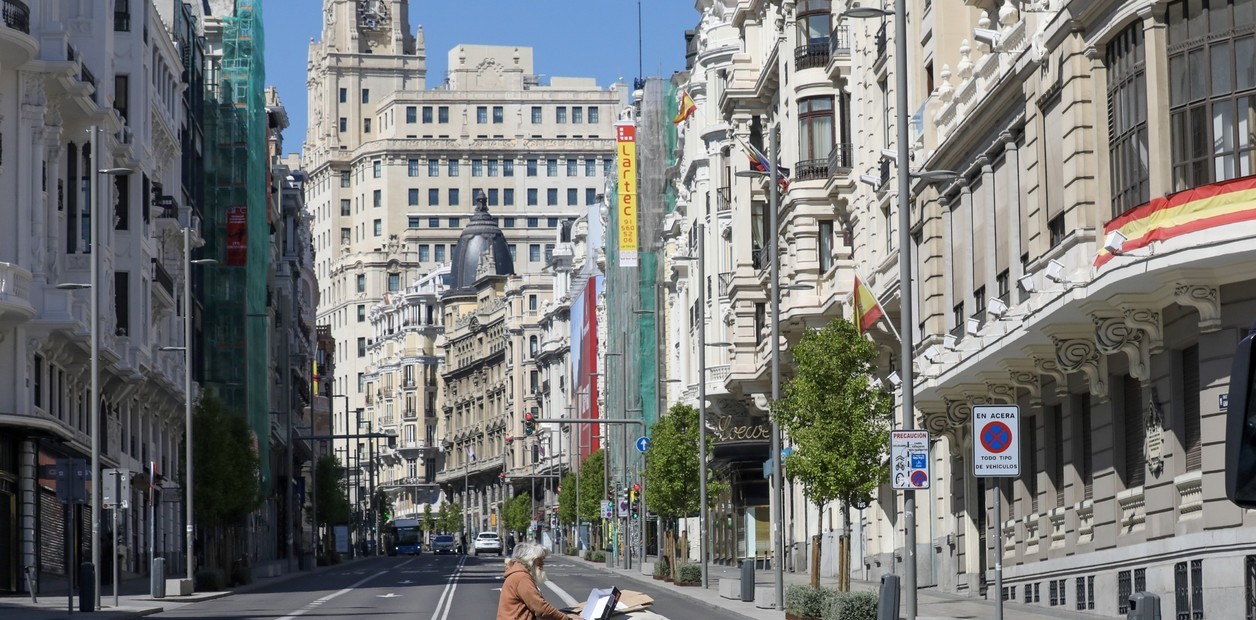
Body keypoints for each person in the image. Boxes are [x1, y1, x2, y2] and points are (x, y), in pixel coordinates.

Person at [496, 542, 579, 620]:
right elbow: (541, 608)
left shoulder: (519, 575)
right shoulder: (521, 577)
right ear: (529, 560)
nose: (543, 564)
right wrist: (566, 619)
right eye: (540, 560)